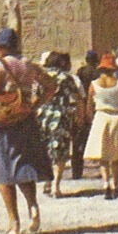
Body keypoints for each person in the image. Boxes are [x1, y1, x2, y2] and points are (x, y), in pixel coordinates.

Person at [0, 27, 57, 234]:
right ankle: (33, 205)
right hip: (26, 119)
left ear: (0, 47)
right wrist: (36, 103)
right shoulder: (28, 64)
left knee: (4, 172)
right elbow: (51, 85)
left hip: (5, 121)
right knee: (24, 165)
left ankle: (14, 223)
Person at [36, 51, 82, 198]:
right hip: (61, 116)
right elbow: (76, 97)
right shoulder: (66, 77)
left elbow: (37, 96)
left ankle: (46, 182)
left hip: (43, 116)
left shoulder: (42, 77)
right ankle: (56, 185)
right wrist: (80, 116)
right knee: (60, 151)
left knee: (44, 150)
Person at [83, 52, 118, 199]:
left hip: (100, 117)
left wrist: (90, 119)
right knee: (115, 155)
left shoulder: (94, 84)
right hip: (115, 117)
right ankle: (115, 185)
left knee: (102, 155)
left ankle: (105, 183)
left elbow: (89, 105)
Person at [73, 49, 101, 180]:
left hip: (82, 104)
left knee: (79, 138)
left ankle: (77, 169)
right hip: (94, 104)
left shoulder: (81, 71)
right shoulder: (98, 73)